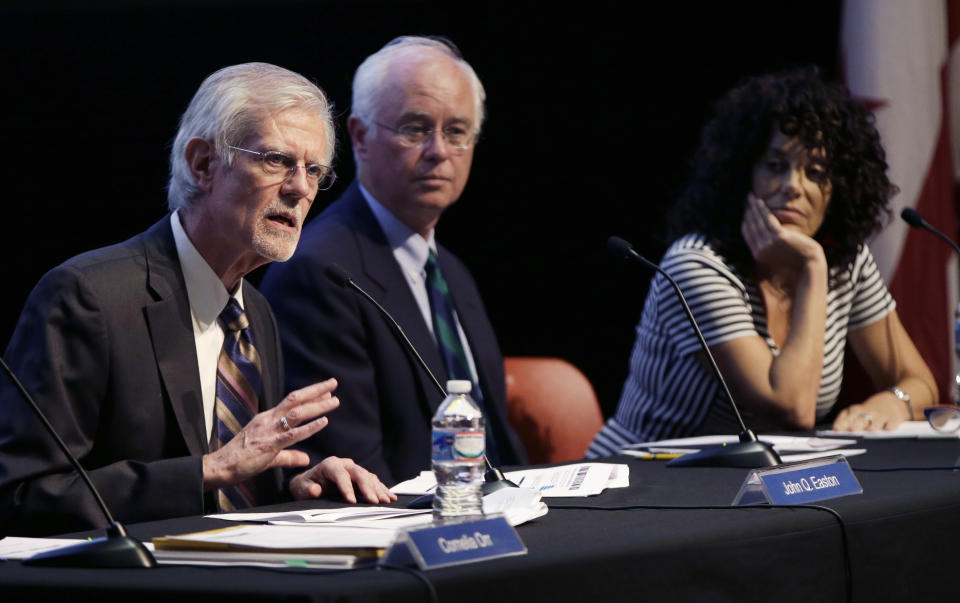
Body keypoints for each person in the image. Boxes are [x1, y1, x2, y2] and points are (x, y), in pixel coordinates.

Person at [0, 62, 395, 537]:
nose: (301, 188)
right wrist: (209, 470)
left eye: (314, 170)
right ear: (203, 164)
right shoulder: (89, 297)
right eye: (276, 160)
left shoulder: (256, 313)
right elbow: (22, 497)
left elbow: (229, 490)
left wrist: (290, 494)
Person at [588, 66, 938, 457]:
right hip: (639, 483)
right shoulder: (698, 265)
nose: (793, 185)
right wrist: (813, 269)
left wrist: (892, 401)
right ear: (743, 174)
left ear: (837, 189)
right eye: (775, 166)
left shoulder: (847, 261)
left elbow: (919, 381)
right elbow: (790, 407)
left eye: (815, 171)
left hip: (750, 481)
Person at [260, 36, 527, 486]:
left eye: (457, 132)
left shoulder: (452, 275)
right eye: (415, 129)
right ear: (360, 136)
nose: (439, 151)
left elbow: (497, 442)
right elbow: (355, 472)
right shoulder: (321, 272)